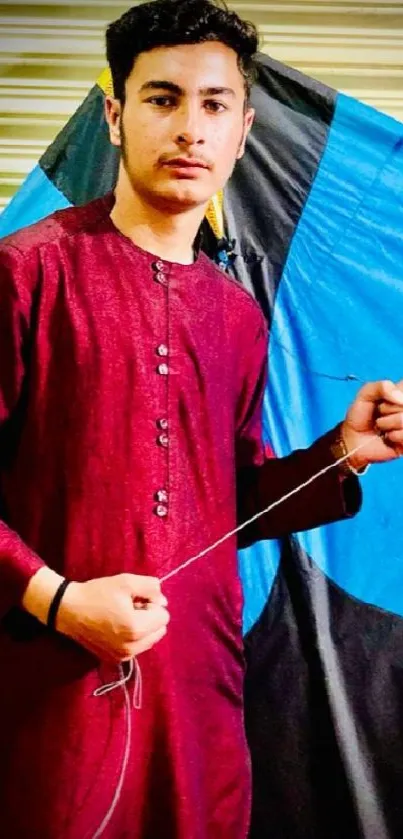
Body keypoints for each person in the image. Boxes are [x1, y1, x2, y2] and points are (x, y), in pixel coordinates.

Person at [1, 1, 402, 837]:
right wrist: (58, 599)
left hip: (201, 704)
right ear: (114, 116)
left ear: (243, 128)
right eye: (162, 98)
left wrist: (342, 453)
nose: (190, 128)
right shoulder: (26, 275)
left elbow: (230, 503)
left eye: (214, 104)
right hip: (52, 699)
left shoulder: (236, 316)